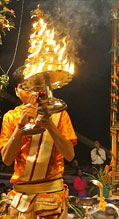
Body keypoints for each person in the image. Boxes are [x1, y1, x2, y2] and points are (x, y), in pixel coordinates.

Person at [0, 69, 77, 218]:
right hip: (22, 198)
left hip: (51, 197)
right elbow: (7, 159)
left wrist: (50, 126)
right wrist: (20, 126)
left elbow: (69, 155)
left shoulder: (58, 114)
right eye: (25, 87)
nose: (31, 92)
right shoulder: (11, 117)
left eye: (35, 87)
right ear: (16, 91)